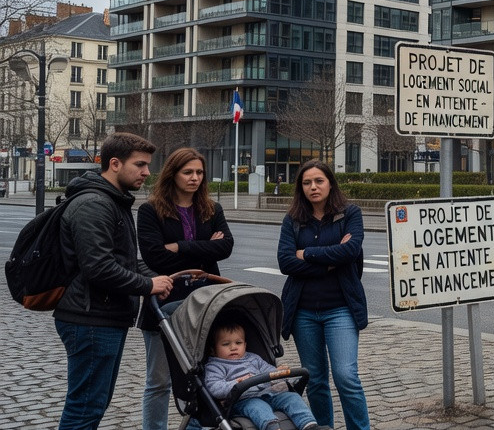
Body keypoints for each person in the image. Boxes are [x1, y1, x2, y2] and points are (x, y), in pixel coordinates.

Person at [54, 132, 175, 430]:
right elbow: (99, 267)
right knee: (85, 407)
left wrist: (155, 277)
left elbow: (122, 261)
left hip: (103, 315)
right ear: (115, 164)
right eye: (140, 165)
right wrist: (148, 286)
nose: (147, 172)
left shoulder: (112, 200)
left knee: (93, 404)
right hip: (91, 317)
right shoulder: (95, 204)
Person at [137, 147, 234, 430]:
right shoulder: (151, 211)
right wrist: (206, 249)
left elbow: (225, 247)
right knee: (159, 381)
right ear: (173, 174)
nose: (195, 178)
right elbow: (155, 257)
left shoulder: (212, 209)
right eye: (188, 172)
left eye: (199, 172)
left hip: (205, 303)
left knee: (205, 375)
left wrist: (180, 247)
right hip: (164, 303)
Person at [276, 161, 369, 430]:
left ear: (330, 183)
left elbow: (350, 251)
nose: (313, 187)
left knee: (346, 376)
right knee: (315, 380)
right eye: (307, 183)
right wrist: (329, 262)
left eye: (319, 181)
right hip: (303, 312)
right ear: (300, 187)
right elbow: (285, 262)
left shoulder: (350, 214)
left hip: (341, 308)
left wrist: (306, 254)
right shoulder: (293, 220)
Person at [203, 320, 330, 430]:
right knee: (258, 407)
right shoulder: (215, 365)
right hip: (243, 400)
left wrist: (278, 372)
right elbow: (214, 388)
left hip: (269, 393)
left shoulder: (253, 358)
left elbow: (268, 371)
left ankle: (309, 425)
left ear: (245, 345)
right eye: (226, 344)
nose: (233, 347)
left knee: (292, 398)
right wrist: (236, 383)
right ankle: (273, 428)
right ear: (213, 349)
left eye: (238, 343)